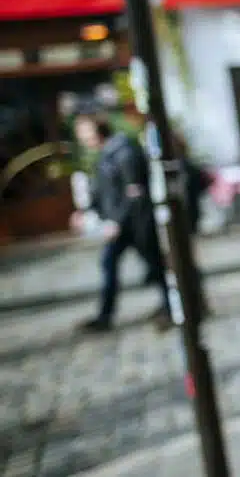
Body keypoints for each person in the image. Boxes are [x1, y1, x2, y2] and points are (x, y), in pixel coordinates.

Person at [70, 115, 171, 332]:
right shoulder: (105, 155)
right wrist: (85, 211)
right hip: (120, 226)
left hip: (136, 224)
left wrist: (117, 222)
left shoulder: (124, 152)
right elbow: (103, 191)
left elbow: (134, 192)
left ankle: (174, 306)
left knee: (156, 266)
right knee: (110, 264)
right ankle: (105, 316)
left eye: (85, 132)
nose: (82, 138)